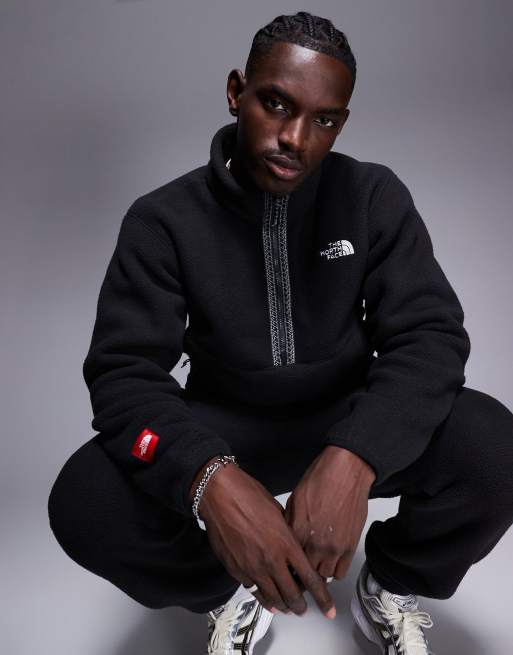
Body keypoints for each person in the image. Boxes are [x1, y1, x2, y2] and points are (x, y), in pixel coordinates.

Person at [47, 11, 513, 655]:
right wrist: (208, 478)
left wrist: (356, 456)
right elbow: (124, 376)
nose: (295, 138)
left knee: (495, 450)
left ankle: (390, 585)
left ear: (341, 123)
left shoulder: (371, 196)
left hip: (349, 414)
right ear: (236, 91)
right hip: (226, 430)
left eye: (324, 120)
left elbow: (431, 337)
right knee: (84, 500)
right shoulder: (164, 220)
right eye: (276, 104)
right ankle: (229, 593)